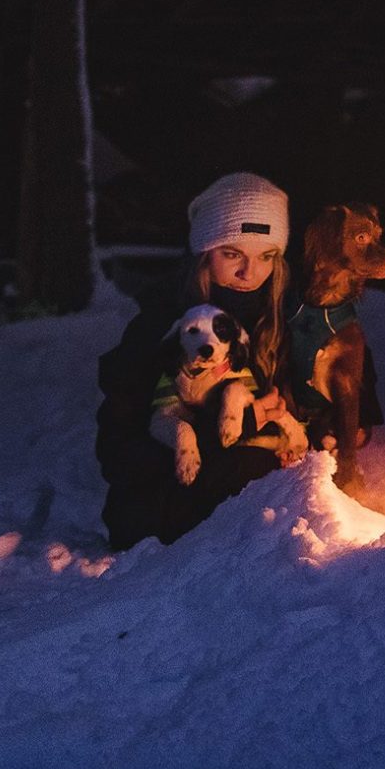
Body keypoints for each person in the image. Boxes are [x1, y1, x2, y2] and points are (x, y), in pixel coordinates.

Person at [96, 171, 305, 549]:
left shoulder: (278, 327)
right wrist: (222, 431)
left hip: (249, 529)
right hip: (162, 525)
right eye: (232, 254)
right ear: (203, 253)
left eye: (267, 256)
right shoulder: (162, 328)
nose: (250, 272)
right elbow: (118, 456)